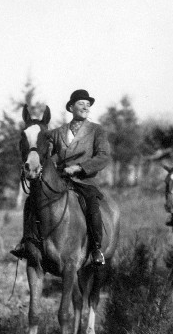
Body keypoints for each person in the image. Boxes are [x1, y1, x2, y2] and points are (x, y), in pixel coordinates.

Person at [11, 89, 110, 265]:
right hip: (59, 179)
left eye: (88, 105)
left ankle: (96, 249)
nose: (85, 107)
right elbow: (47, 153)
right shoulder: (57, 132)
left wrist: (79, 168)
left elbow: (103, 156)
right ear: (71, 107)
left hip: (84, 180)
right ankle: (26, 243)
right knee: (31, 201)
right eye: (81, 103)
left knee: (92, 206)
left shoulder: (97, 130)